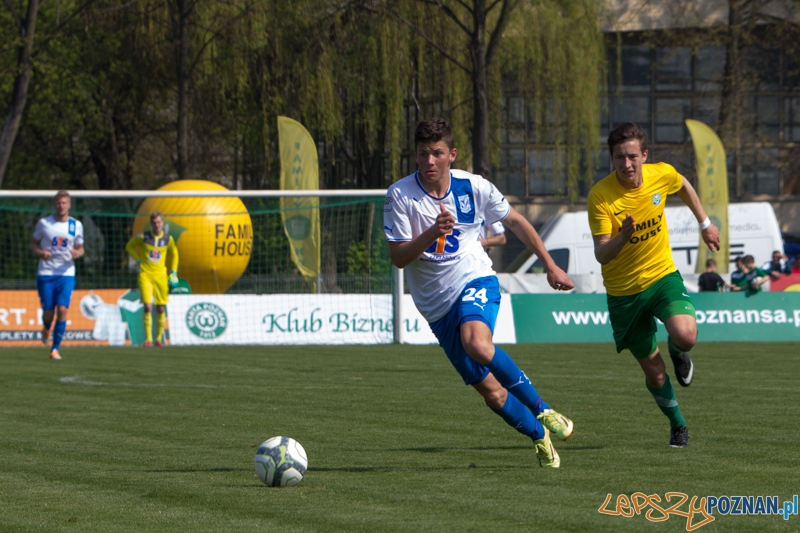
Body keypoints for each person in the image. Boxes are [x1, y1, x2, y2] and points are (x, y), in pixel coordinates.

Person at [384, 118, 575, 468]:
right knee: (492, 392)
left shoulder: (474, 187)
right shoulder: (400, 195)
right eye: (423, 153)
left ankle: (543, 410)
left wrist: (549, 264)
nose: (429, 161)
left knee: (477, 342)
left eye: (437, 153)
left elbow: (515, 221)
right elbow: (398, 258)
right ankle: (539, 435)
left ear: (451, 155)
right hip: (436, 308)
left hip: (475, 279)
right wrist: (430, 232)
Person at [587, 122, 721, 448]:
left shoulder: (662, 173)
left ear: (644, 155)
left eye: (632, 156)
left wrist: (704, 223)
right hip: (624, 295)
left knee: (686, 335)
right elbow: (602, 254)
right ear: (612, 158)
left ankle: (678, 351)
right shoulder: (601, 196)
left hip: (661, 275)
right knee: (655, 373)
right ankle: (678, 423)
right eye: (619, 157)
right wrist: (623, 237)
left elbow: (684, 185)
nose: (627, 164)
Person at [30, 190, 85, 360]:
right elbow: (32, 244)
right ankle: (47, 327)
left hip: (66, 273)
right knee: (49, 312)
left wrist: (78, 253)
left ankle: (55, 349)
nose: (61, 206)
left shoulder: (76, 225)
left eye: (64, 203)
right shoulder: (44, 223)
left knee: (62, 309)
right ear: (55, 205)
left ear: (69, 205)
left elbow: (81, 247)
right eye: (58, 203)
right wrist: (40, 252)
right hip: (46, 273)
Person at [125, 212, 179, 347]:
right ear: (151, 224)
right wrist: (137, 260)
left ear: (162, 223)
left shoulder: (168, 239)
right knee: (148, 306)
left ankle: (159, 339)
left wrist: (173, 272)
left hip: (161, 276)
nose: (157, 225)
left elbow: (175, 254)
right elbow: (129, 246)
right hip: (145, 275)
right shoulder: (144, 237)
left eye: (159, 222)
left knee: (160, 308)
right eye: (154, 223)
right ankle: (148, 339)